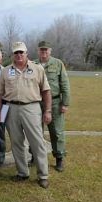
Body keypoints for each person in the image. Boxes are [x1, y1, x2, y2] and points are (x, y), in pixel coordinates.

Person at [0, 41, 52, 189]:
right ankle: (22, 172)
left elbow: (46, 91)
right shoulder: (6, 71)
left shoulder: (37, 69)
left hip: (31, 108)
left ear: (27, 53)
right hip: (11, 108)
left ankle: (43, 175)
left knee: (37, 142)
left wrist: (48, 111)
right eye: (16, 52)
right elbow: (0, 94)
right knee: (16, 142)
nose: (19, 55)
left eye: (21, 52)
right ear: (13, 54)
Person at [36, 41, 71, 172]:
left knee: (56, 132)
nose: (44, 52)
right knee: (36, 131)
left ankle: (59, 158)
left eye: (46, 50)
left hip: (55, 102)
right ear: (38, 51)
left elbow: (65, 83)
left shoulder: (57, 64)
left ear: (50, 51)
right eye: (41, 50)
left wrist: (65, 103)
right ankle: (35, 155)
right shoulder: (33, 64)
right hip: (36, 103)